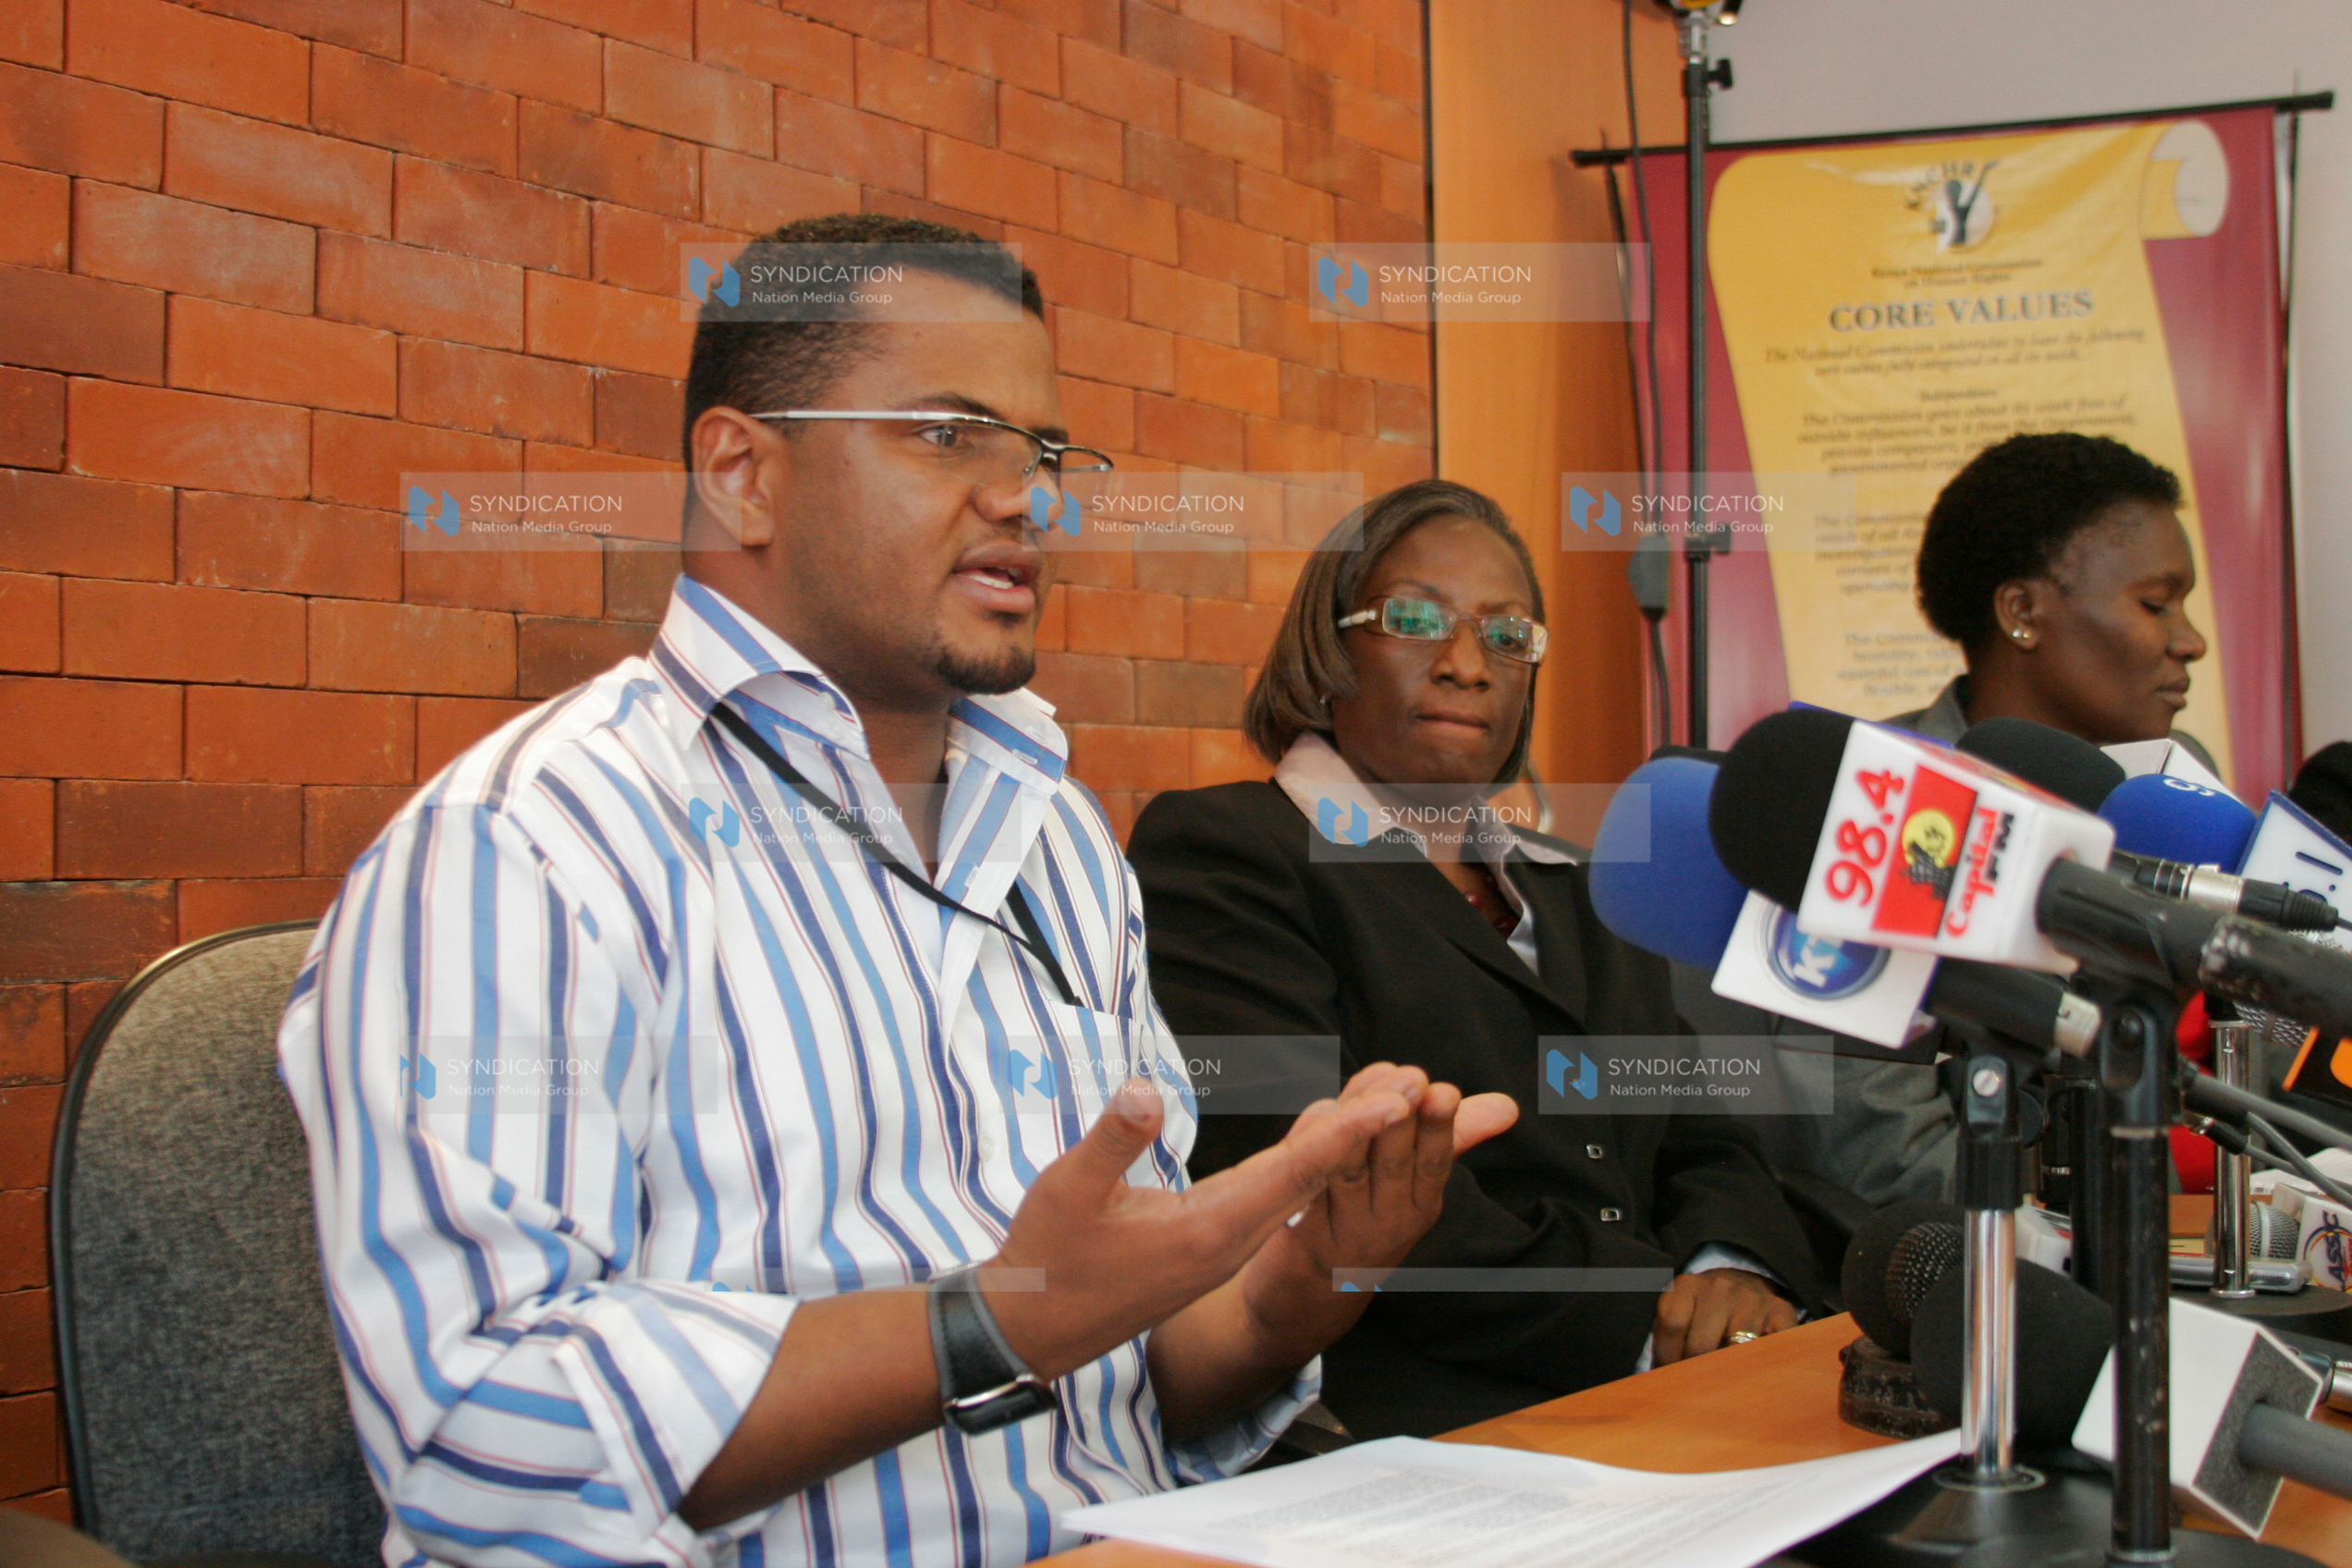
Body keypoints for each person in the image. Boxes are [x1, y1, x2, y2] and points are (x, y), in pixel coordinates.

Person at [276, 214, 1516, 1568]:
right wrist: (984, 1324)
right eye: (947, 434)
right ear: (743, 473)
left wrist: (1303, 1284)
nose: (1026, 497)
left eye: (1041, 451)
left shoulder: (1056, 843)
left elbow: (1133, 1374)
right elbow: (479, 1446)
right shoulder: (521, 849)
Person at [1125, 479, 1819, 1439]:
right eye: (1416, 620)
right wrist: (1647, 1317)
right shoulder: (1228, 852)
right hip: (1415, 1424)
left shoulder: (1579, 887)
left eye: (1507, 635)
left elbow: (1700, 1135)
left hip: (1671, 1395)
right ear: (1327, 648)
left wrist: (1725, 1272)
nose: (1466, 664)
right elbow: (1327, 1180)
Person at [1796, 432, 2219, 1207]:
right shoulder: (1877, 812)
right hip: (1993, 1269)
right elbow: (1874, 1140)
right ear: (2022, 612)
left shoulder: (2180, 786)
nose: (2189, 641)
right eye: (2156, 604)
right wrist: (2073, 1234)